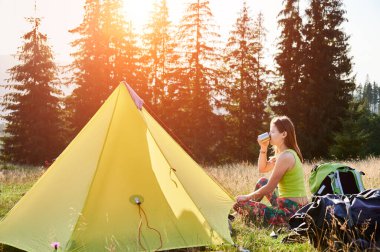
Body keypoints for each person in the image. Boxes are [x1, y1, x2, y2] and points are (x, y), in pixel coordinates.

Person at [234, 116, 308, 226]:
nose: (269, 134)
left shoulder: (286, 157)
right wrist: (263, 148)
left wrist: (247, 197)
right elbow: (262, 168)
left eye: (272, 131)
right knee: (262, 181)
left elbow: (270, 187)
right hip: (286, 204)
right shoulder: (283, 154)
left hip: (293, 212)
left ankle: (252, 215)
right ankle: (250, 212)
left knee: (240, 204)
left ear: (284, 134)